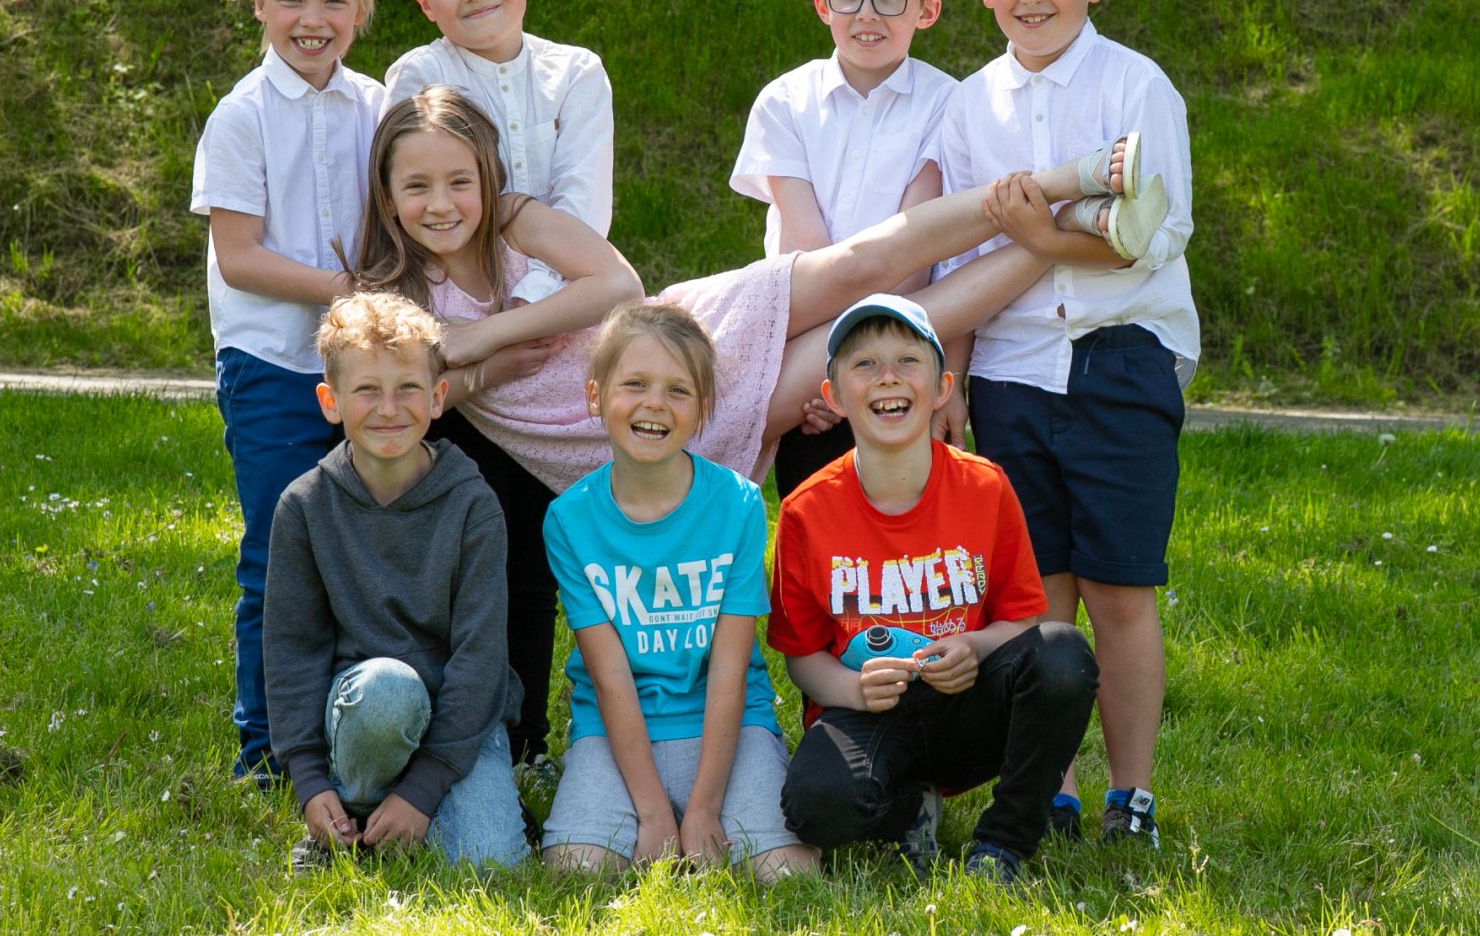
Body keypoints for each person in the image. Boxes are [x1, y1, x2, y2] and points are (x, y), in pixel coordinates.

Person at [353, 85, 1161, 497]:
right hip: (650, 416)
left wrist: (486, 339)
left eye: (459, 181)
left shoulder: (513, 219)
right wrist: (486, 369)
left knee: (858, 263)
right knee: (880, 334)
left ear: (487, 179)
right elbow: (417, 392)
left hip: (678, 330)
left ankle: (1069, 180)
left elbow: (617, 285)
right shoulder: (391, 293)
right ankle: (1075, 232)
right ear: (387, 198)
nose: (441, 204)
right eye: (416, 187)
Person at [936, 0, 1200, 848]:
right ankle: (1049, 788)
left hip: (1119, 360)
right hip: (1009, 370)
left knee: (1121, 590)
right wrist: (953, 374)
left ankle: (1132, 797)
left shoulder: (1136, 86)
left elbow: (1150, 236)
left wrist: (1041, 239)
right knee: (1038, 593)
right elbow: (960, 264)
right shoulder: (970, 106)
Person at [382, 0, 617, 775]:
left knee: (535, 544)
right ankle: (459, 725)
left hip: (556, 322)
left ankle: (526, 744)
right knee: (469, 534)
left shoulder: (576, 73)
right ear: (424, 2)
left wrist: (525, 321)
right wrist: (490, 335)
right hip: (455, 325)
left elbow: (584, 213)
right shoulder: (416, 77)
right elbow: (412, 201)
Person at [767, 295, 1099, 881]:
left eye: (907, 360)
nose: (887, 376)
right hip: (870, 710)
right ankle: (907, 808)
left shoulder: (985, 487)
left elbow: (1023, 621)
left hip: (968, 702)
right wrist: (853, 689)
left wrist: (973, 647)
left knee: (1063, 654)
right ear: (834, 396)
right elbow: (801, 656)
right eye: (864, 364)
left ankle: (1004, 842)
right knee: (815, 806)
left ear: (943, 388)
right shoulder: (806, 511)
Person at [189, 0, 389, 784]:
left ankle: (361, 729)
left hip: (368, 366)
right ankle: (266, 746)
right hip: (271, 365)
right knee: (279, 553)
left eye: (334, 1)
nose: (313, 19)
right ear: (260, 6)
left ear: (362, 11)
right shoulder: (242, 115)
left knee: (366, 549)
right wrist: (349, 290)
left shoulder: (378, 107)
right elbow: (239, 257)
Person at [539, 303, 819, 882]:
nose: (655, 404)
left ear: (702, 409)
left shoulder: (738, 505)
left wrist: (703, 810)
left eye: (678, 390)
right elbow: (609, 678)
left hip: (726, 729)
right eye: (634, 384)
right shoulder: (569, 520)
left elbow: (730, 670)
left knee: (786, 875)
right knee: (575, 871)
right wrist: (651, 812)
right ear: (596, 396)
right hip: (617, 732)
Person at [265, 292, 527, 868]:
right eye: (367, 390)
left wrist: (424, 788)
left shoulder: (473, 504)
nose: (389, 408)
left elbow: (481, 658)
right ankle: (349, 816)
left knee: (492, 867)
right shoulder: (304, 507)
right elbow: (292, 653)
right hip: (366, 712)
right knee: (388, 690)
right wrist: (309, 779)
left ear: (437, 397)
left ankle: (402, 815)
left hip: (461, 722)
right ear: (331, 402)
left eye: (408, 388)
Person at [729, 0, 960, 497]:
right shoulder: (785, 101)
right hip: (802, 341)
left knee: (901, 512)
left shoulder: (949, 106)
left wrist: (856, 369)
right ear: (821, 3)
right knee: (813, 504)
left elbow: (915, 253)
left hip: (900, 345)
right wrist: (825, 370)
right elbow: (806, 250)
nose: (868, 13)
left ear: (927, 10)